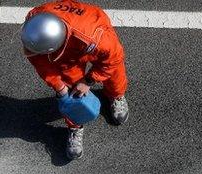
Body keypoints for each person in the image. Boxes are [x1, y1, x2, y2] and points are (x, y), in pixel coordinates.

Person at [21, 0, 130, 160]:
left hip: (86, 36)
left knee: (114, 73)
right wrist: (59, 87)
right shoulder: (34, 29)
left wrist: (88, 81)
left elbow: (113, 59)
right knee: (70, 88)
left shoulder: (97, 39)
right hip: (69, 41)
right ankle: (75, 125)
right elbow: (41, 63)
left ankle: (116, 95)